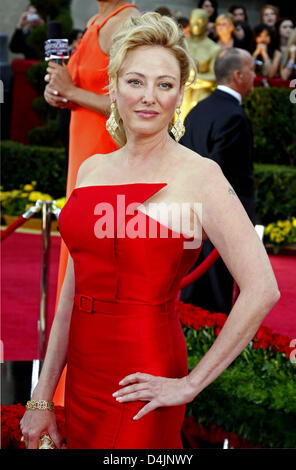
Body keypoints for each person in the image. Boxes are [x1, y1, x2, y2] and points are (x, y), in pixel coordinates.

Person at [20, 13, 280, 450]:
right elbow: (71, 287)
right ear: (115, 86)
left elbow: (262, 288)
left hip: (145, 377)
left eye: (164, 85)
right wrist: (44, 396)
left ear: (179, 94)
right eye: (136, 81)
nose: (149, 97)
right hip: (83, 373)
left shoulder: (200, 175)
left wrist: (190, 385)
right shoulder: (92, 169)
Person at [44, 0, 139, 406]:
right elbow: (87, 93)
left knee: (94, 274)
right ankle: (64, 393)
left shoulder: (128, 22)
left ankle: (95, 393)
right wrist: (64, 95)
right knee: (75, 270)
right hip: (82, 162)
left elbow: (132, 104)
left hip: (107, 165)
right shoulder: (98, 21)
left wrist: (72, 91)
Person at [180, 47, 257, 314]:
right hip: (221, 225)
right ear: (239, 75)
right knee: (217, 298)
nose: (256, 76)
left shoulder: (198, 110)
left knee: (193, 297)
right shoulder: (234, 117)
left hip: (190, 219)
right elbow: (226, 176)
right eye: (252, 70)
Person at [179, 8, 221, 121]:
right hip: (184, 91)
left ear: (207, 23)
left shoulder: (214, 48)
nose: (196, 24)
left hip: (202, 91)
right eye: (194, 20)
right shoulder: (181, 44)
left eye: (200, 21)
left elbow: (214, 78)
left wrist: (193, 78)